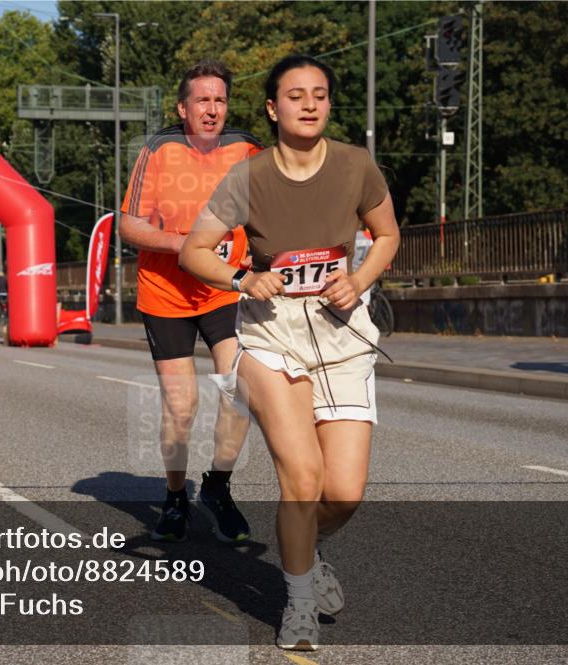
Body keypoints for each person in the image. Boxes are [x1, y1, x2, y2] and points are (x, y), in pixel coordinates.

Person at [180, 55, 400, 651]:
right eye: (296, 95)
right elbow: (195, 251)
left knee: (345, 492)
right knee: (302, 479)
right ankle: (298, 601)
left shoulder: (356, 165)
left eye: (320, 95)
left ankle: (306, 547)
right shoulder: (248, 177)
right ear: (274, 109)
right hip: (271, 335)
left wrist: (359, 278)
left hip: (342, 334)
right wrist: (241, 278)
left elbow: (387, 235)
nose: (310, 104)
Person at [119, 60, 263, 543]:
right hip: (167, 294)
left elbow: (271, 210)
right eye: (202, 100)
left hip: (224, 288)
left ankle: (217, 488)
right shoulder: (159, 151)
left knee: (239, 388)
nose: (212, 109)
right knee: (182, 407)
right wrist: (182, 244)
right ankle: (176, 496)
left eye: (219, 100)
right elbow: (129, 226)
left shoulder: (246, 149)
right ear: (183, 108)